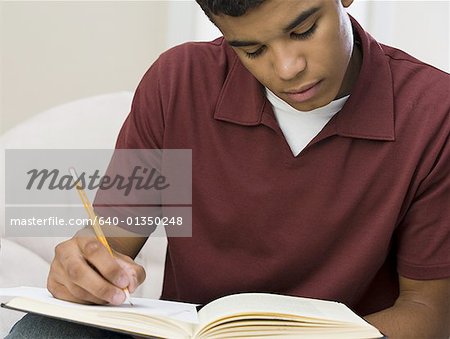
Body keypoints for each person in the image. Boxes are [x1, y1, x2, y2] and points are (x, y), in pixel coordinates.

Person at [7, 0, 449, 338]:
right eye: (252, 50)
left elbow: (431, 312)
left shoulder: (434, 111)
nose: (288, 69)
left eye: (304, 29)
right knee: (43, 330)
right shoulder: (177, 80)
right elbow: (110, 239)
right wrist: (84, 269)